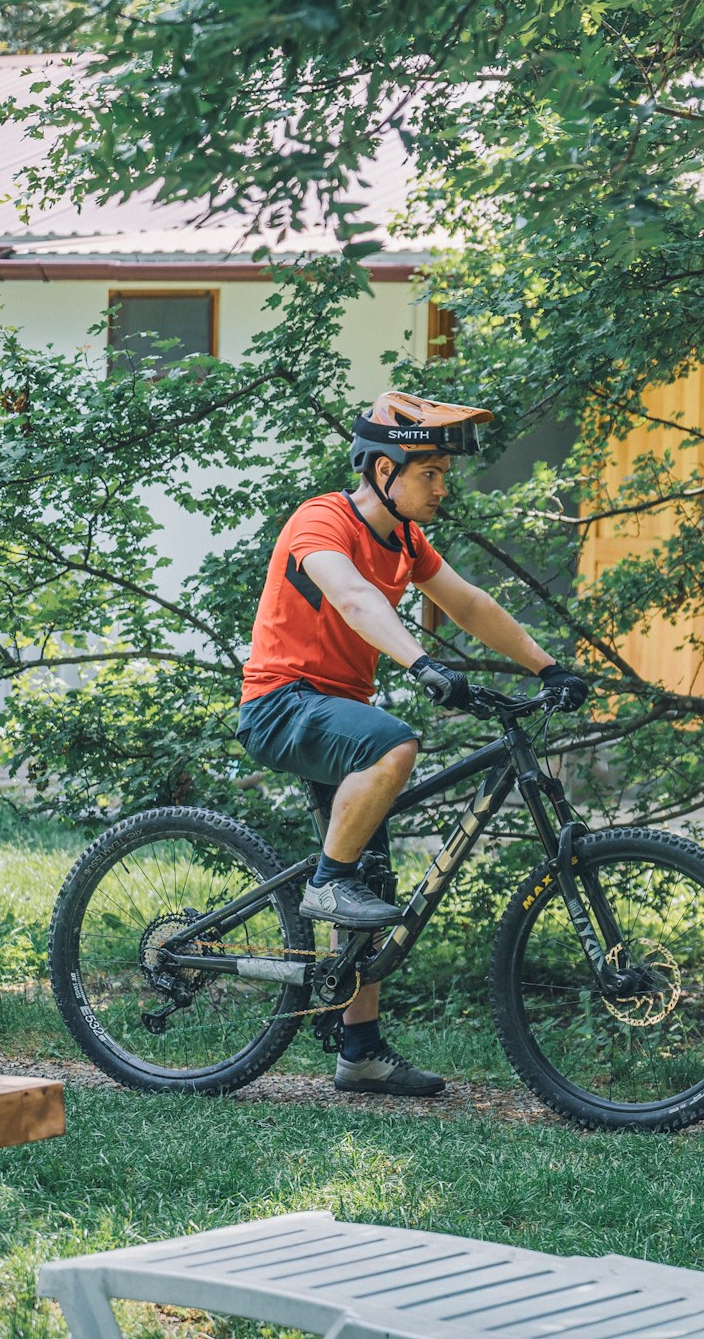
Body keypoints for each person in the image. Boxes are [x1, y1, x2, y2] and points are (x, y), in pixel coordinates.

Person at [236, 391, 589, 1096]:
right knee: (395, 746)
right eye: (429, 472)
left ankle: (359, 1051)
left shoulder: (405, 542)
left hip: (335, 713)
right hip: (282, 704)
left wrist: (548, 666)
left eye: (441, 473)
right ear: (383, 470)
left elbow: (470, 605)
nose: (441, 486)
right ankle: (327, 882)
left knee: (377, 882)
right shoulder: (322, 520)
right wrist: (422, 665)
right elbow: (354, 599)